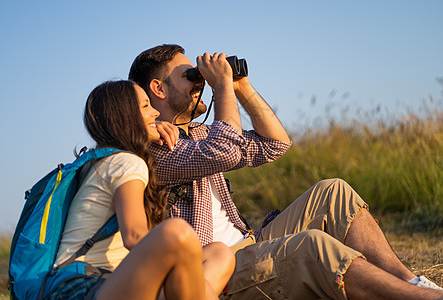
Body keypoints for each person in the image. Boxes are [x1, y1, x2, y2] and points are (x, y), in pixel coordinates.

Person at [128, 44, 443, 300]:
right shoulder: (152, 146)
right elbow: (223, 151)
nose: (199, 81)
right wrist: (221, 85)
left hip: (247, 243)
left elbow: (275, 144)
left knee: (333, 191)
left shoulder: (198, 133)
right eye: (189, 76)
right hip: (214, 271)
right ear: (158, 88)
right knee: (311, 246)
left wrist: (241, 87)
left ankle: (413, 283)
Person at [45, 80, 235, 300]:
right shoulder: (125, 163)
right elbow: (134, 236)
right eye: (146, 107)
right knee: (176, 233)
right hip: (81, 287)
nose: (155, 112)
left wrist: (149, 131)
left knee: (219, 253)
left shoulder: (99, 160)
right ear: (124, 117)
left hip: (97, 282)